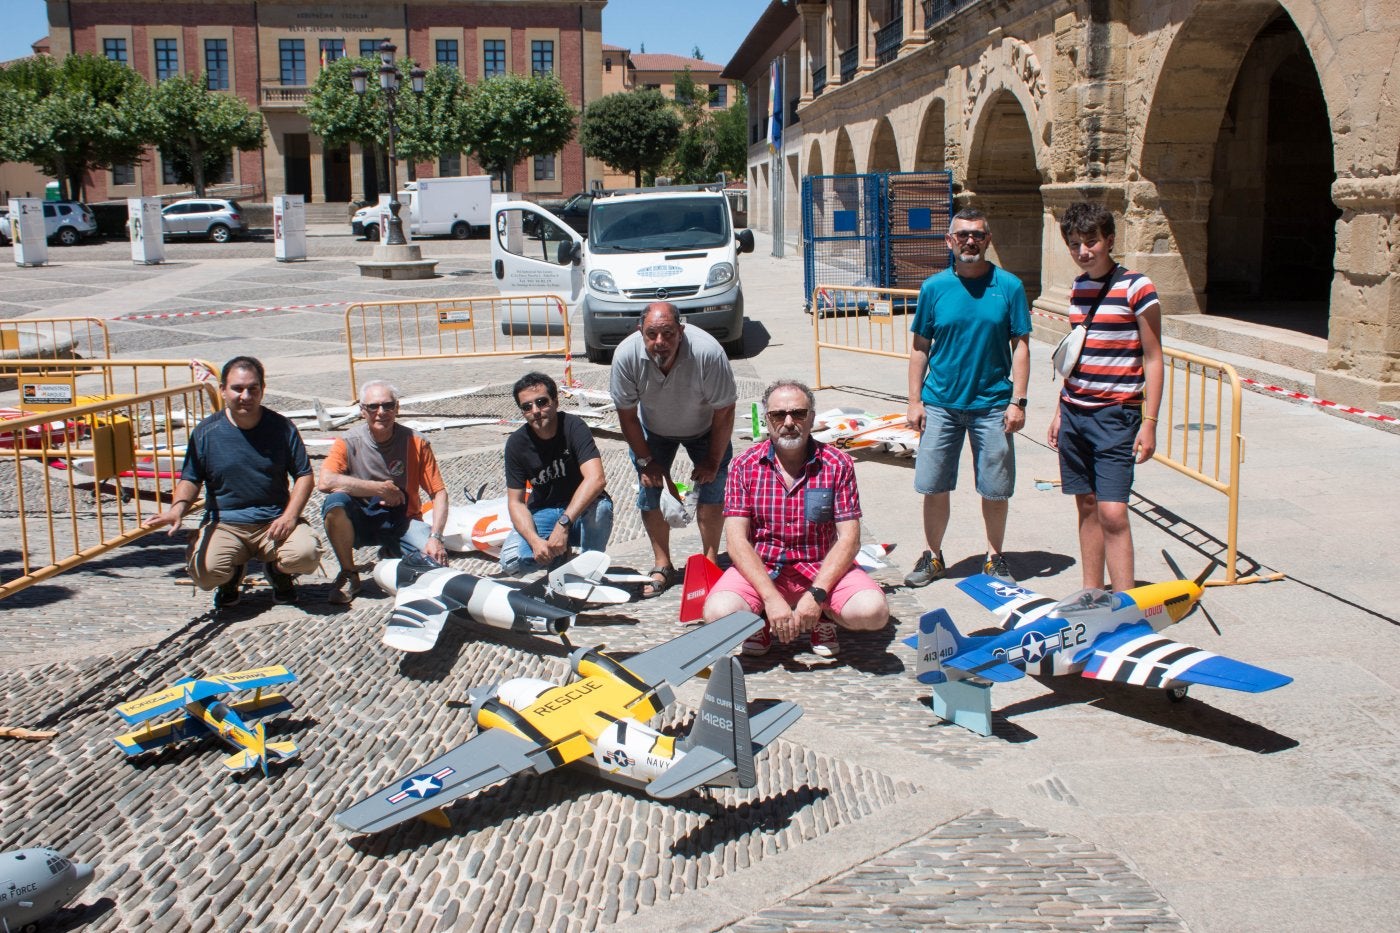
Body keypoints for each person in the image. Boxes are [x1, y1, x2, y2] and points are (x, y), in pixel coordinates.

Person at [702, 380, 889, 658]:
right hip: (764, 569)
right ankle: (762, 619)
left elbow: (849, 539)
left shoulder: (838, 464)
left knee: (874, 612)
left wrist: (817, 595)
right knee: (718, 614)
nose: (788, 422)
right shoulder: (743, 465)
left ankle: (823, 617)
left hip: (820, 569)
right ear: (767, 420)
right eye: (779, 415)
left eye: (798, 413)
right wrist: (770, 599)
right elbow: (736, 540)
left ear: (811, 418)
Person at [904, 207, 1031, 588]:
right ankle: (934, 556)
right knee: (934, 484)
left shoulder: (1009, 286)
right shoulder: (934, 288)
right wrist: (914, 400)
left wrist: (1018, 401)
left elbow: (1021, 344)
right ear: (949, 241)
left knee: (994, 488)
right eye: (962, 235)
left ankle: (995, 557)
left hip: (992, 404)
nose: (970, 241)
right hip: (941, 403)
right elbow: (920, 347)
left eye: (977, 234)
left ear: (988, 240)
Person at [1048, 202, 1163, 592]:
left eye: (1092, 241)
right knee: (1086, 505)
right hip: (1076, 410)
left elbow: (1154, 356)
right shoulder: (1079, 287)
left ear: (1109, 240)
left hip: (1116, 415)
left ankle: (1126, 603)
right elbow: (1077, 356)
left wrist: (1149, 422)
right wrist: (1060, 409)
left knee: (1114, 512)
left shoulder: (1137, 286)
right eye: (1076, 244)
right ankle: (1091, 592)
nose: (1084, 251)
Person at [144, 356, 320, 608]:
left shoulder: (282, 428)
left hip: (274, 522)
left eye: (253, 388)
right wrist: (177, 509)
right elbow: (191, 478)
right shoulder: (206, 432)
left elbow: (304, 474)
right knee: (205, 575)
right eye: (238, 388)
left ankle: (279, 572)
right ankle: (232, 573)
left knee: (306, 555)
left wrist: (291, 516)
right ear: (223, 390)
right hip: (225, 523)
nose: (245, 395)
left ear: (262, 390)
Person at [610, 302, 737, 597]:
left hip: (706, 427)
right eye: (652, 334)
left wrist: (713, 460)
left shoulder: (708, 352)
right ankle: (662, 564)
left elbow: (725, 410)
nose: (660, 342)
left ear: (681, 330)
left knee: (713, 490)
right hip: (653, 429)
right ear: (640, 331)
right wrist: (646, 460)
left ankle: (710, 560)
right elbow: (626, 415)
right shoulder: (626, 356)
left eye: (668, 333)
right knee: (649, 492)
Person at [317, 379, 449, 604]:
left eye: (388, 406)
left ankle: (391, 552)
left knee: (436, 566)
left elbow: (439, 493)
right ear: (362, 411)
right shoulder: (348, 441)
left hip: (403, 520)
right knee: (334, 503)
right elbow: (325, 481)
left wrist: (436, 537)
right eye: (373, 407)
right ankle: (349, 572)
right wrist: (379, 489)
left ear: (397, 408)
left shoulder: (417, 442)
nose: (381, 412)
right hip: (361, 519)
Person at [498, 372, 613, 575]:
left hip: (582, 510)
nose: (535, 410)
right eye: (527, 406)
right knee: (512, 563)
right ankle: (561, 554)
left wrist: (563, 525)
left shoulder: (573, 426)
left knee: (601, 509)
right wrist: (534, 541)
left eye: (541, 402)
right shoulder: (516, 444)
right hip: (545, 510)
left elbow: (596, 479)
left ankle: (589, 571)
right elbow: (515, 502)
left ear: (556, 401)